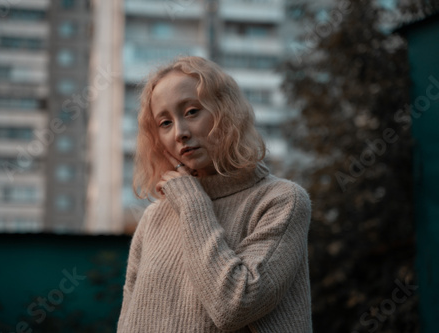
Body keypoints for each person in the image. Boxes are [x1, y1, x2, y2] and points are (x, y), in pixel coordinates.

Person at [117, 56, 312, 332]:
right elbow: (128, 322)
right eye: (165, 123)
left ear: (226, 112)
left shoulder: (281, 201)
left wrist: (192, 203)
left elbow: (234, 305)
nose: (180, 133)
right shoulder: (153, 219)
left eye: (192, 111)